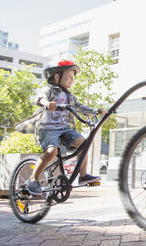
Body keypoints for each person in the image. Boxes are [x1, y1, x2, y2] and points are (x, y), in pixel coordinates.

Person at [20, 60, 105, 196]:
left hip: (65, 129)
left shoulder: (69, 95)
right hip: (48, 129)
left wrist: (94, 111)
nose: (72, 80)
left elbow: (80, 106)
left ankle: (83, 175)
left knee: (84, 145)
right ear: (57, 76)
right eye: (69, 76)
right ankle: (33, 179)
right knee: (51, 151)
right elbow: (40, 97)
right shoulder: (50, 90)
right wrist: (47, 103)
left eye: (73, 78)